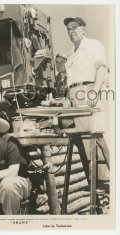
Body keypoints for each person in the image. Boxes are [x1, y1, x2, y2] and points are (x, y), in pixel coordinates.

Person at [63, 17, 109, 169]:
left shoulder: (93, 45)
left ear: (83, 29)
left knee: (98, 136)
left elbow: (101, 69)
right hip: (75, 97)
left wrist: (94, 92)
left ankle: (111, 178)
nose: (71, 31)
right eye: (68, 29)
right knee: (82, 140)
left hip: (89, 92)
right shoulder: (70, 55)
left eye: (74, 27)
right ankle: (93, 182)